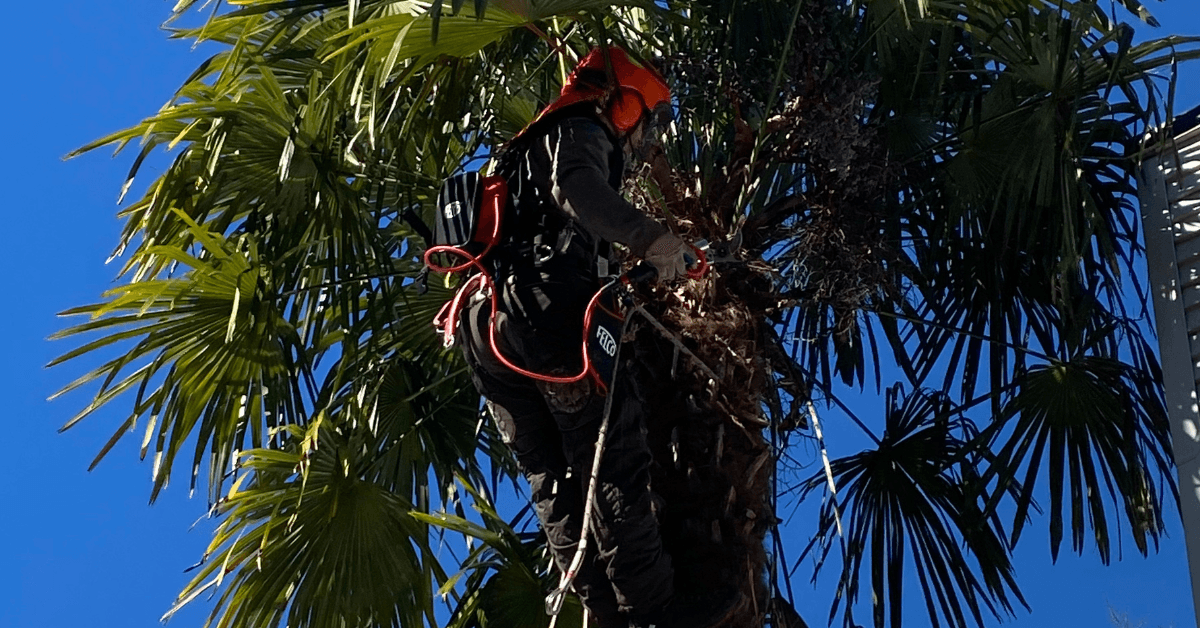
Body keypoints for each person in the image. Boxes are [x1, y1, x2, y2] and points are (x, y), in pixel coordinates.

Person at [457, 47, 728, 628]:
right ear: (623, 103)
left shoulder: (519, 149)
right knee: (611, 457)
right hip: (548, 311)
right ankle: (655, 612)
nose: (643, 139)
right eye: (646, 119)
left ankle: (604, 612)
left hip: (485, 326)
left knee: (551, 478)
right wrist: (655, 242)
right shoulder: (578, 128)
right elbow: (582, 195)